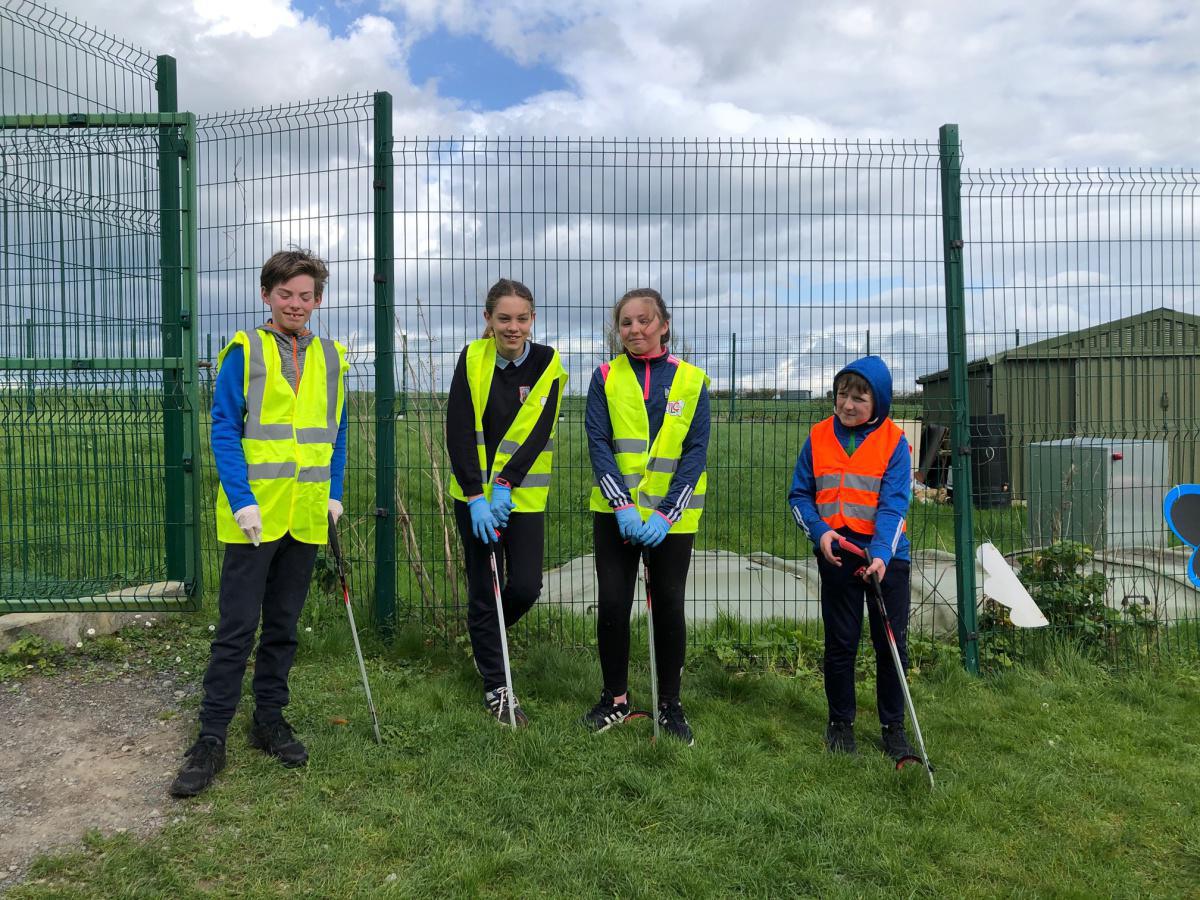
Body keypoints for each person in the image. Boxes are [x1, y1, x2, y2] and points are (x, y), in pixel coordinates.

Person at [170, 249, 349, 798]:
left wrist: (334, 493)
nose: (297, 304)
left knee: (284, 628)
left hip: (306, 516)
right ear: (266, 294)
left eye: (307, 295)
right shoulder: (243, 351)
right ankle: (210, 737)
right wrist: (241, 498)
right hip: (253, 519)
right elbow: (225, 428)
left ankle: (268, 720)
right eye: (286, 294)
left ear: (318, 300)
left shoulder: (333, 356)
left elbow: (336, 432)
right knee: (236, 630)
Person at [581, 287, 710, 746]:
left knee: (669, 607)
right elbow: (599, 444)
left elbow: (695, 454)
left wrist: (666, 515)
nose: (635, 330)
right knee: (614, 604)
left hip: (671, 521)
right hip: (618, 516)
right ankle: (614, 699)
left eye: (644, 321)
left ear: (664, 325)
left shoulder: (693, 381)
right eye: (626, 323)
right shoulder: (603, 377)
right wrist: (622, 507)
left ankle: (670, 706)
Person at [446, 278, 567, 727]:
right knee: (485, 586)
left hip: (522, 498)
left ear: (532, 320)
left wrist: (507, 484)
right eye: (503, 319)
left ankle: (482, 637)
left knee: (524, 588)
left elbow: (540, 431)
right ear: (488, 320)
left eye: (521, 319)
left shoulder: (548, 363)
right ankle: (497, 688)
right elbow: (458, 428)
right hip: (475, 499)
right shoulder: (472, 358)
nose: (512, 328)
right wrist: (477, 495)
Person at [787, 355, 917, 762]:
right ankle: (840, 723)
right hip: (837, 553)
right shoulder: (818, 435)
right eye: (842, 395)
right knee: (840, 642)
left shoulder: (895, 443)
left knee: (890, 644)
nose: (848, 405)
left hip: (886, 558)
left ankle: (893, 727)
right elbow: (799, 496)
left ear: (879, 401)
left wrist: (880, 554)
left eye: (860, 398)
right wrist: (821, 532)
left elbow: (895, 506)